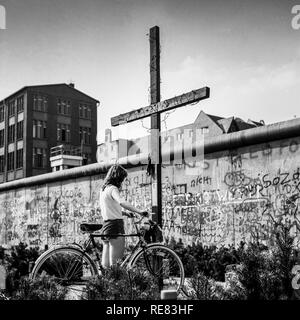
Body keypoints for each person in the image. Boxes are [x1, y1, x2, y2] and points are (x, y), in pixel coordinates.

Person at [99, 164, 148, 268]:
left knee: (106, 266)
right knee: (115, 266)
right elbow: (121, 202)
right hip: (115, 226)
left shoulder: (103, 189)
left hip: (106, 226)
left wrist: (125, 213)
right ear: (118, 178)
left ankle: (102, 283)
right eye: (123, 179)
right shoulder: (113, 189)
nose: (123, 182)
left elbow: (108, 208)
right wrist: (139, 211)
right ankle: (115, 284)